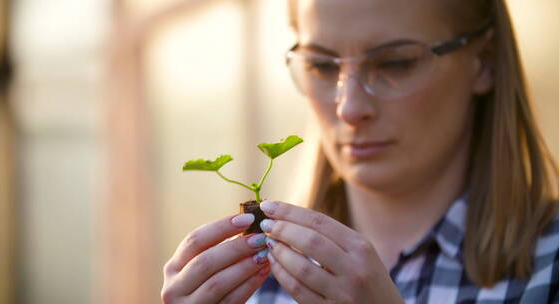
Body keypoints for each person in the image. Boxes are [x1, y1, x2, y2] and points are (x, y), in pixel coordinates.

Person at [161, 0, 559, 302]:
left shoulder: (548, 267)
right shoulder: (256, 277)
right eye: (322, 66)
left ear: (484, 63)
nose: (349, 108)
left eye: (396, 63)